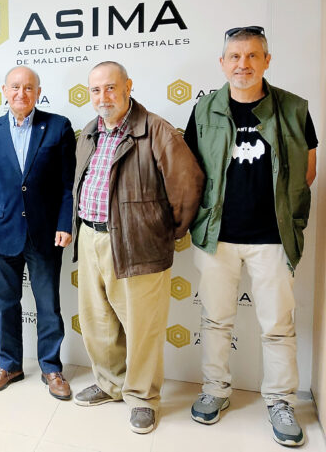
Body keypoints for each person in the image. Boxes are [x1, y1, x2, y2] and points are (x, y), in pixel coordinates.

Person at [184, 26, 317, 447]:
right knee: (215, 320)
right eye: (235, 57)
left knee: (277, 326)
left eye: (252, 56)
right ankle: (215, 390)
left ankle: (279, 401)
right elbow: (191, 172)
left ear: (267, 60)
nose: (243, 64)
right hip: (217, 237)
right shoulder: (204, 110)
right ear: (222, 63)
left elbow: (308, 171)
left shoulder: (294, 109)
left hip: (273, 238)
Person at [72, 61, 204, 434]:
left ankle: (143, 397)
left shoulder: (156, 130)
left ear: (128, 86)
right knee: (98, 321)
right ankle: (110, 383)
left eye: (111, 88)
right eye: (96, 90)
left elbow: (188, 186)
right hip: (91, 236)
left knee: (142, 326)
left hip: (137, 241)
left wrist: (163, 231)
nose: (103, 97)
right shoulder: (88, 132)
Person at [0, 66, 76, 400]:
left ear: (38, 91)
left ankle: (51, 368)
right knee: (6, 304)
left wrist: (64, 223)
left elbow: (66, 185)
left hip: (45, 232)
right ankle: (10, 364)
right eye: (15, 87)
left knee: (48, 304)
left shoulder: (58, 126)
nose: (21, 94)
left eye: (28, 88)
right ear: (4, 90)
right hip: (1, 233)